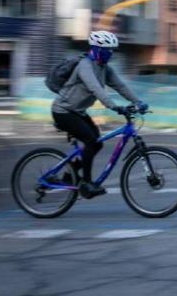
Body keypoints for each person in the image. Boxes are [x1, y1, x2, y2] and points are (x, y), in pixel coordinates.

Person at [51, 31, 146, 199]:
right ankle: (87, 183)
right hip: (63, 111)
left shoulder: (104, 68)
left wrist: (138, 102)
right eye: (107, 50)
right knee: (90, 140)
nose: (110, 53)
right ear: (96, 49)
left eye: (112, 50)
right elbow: (95, 88)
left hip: (78, 111)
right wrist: (114, 107)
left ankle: (69, 175)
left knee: (97, 143)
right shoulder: (85, 65)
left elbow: (120, 86)